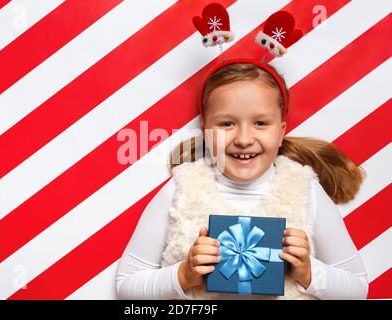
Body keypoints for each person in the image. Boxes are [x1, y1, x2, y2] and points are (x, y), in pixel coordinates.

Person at [115, 61, 369, 300]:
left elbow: (358, 288)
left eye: (260, 123)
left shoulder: (305, 189)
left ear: (280, 133)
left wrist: (308, 272)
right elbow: (127, 285)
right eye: (227, 123)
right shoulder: (182, 188)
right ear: (206, 132)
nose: (244, 139)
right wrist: (184, 275)